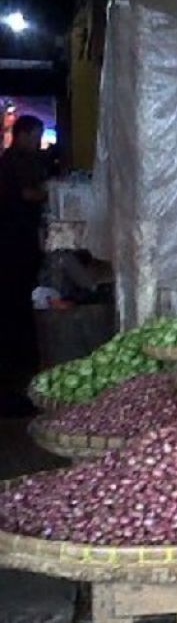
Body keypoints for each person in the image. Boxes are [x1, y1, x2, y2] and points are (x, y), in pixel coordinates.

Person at [0, 115, 47, 414]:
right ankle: (17, 360)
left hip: (20, 238)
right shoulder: (11, 163)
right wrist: (46, 193)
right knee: (15, 299)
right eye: (36, 135)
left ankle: (21, 355)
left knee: (19, 297)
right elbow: (24, 194)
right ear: (23, 134)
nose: (38, 141)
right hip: (12, 240)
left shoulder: (26, 160)